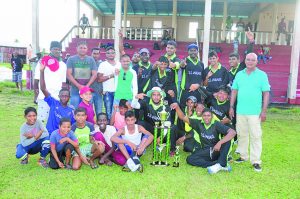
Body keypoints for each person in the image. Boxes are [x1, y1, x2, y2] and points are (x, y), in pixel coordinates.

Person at [229, 52, 270, 172]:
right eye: (248, 59)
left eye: (253, 60)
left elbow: (266, 93)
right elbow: (234, 91)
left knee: (255, 136)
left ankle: (256, 161)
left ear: (256, 62)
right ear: (245, 61)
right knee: (242, 134)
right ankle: (243, 156)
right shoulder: (239, 74)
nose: (250, 62)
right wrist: (231, 106)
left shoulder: (262, 75)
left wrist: (264, 111)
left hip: (255, 112)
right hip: (240, 110)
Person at [172, 106, 236, 174]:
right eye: (204, 115)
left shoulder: (216, 124)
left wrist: (219, 143)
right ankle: (217, 164)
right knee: (190, 159)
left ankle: (221, 162)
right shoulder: (198, 123)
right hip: (206, 150)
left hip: (216, 150)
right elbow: (183, 117)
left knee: (227, 139)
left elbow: (233, 132)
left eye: (208, 115)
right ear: (202, 116)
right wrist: (177, 107)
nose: (206, 117)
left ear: (212, 116)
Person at [34, 41, 67, 123]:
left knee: (54, 121)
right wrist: (36, 95)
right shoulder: (43, 62)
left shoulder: (63, 65)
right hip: (43, 96)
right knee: (40, 121)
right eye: (55, 49)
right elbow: (36, 80)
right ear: (50, 50)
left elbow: (63, 83)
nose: (57, 51)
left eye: (59, 50)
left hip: (56, 97)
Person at [40, 63, 75, 135]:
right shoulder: (53, 103)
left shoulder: (72, 110)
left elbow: (72, 126)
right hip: (50, 134)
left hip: (63, 137)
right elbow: (43, 89)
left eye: (66, 96)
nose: (64, 97)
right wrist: (41, 71)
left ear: (69, 97)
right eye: (62, 96)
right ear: (59, 96)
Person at [66, 41, 97, 108]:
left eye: (84, 48)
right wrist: (78, 86)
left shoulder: (91, 59)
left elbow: (94, 74)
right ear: (77, 48)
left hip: (87, 91)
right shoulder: (71, 59)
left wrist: (87, 86)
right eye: (81, 48)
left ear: (87, 49)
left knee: (87, 111)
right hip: (75, 90)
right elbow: (68, 74)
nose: (83, 49)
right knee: (74, 109)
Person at [98, 46, 121, 121]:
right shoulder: (103, 64)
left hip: (118, 91)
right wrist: (112, 75)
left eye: (112, 52)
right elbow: (99, 79)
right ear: (106, 54)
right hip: (108, 92)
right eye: (108, 53)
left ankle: (116, 128)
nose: (111, 54)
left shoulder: (119, 64)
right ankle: (109, 128)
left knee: (118, 111)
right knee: (108, 112)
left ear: (115, 54)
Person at [91, 47, 103, 116]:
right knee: (88, 112)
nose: (95, 55)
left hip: (98, 92)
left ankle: (99, 126)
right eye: (94, 53)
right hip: (89, 92)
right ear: (91, 54)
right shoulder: (87, 63)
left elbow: (102, 77)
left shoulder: (102, 64)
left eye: (97, 54)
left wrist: (102, 88)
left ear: (99, 55)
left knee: (99, 112)